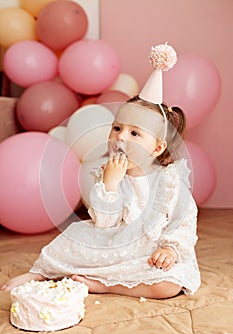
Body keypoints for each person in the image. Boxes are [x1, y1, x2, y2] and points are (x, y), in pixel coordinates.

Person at [0, 44, 201, 298]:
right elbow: (104, 223)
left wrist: (171, 250)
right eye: (117, 128)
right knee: (73, 240)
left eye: (134, 133)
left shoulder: (169, 180)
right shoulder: (108, 171)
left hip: (153, 249)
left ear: (157, 147)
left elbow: (183, 221)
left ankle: (106, 285)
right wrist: (110, 185)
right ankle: (40, 273)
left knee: (169, 285)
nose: (121, 137)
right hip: (115, 242)